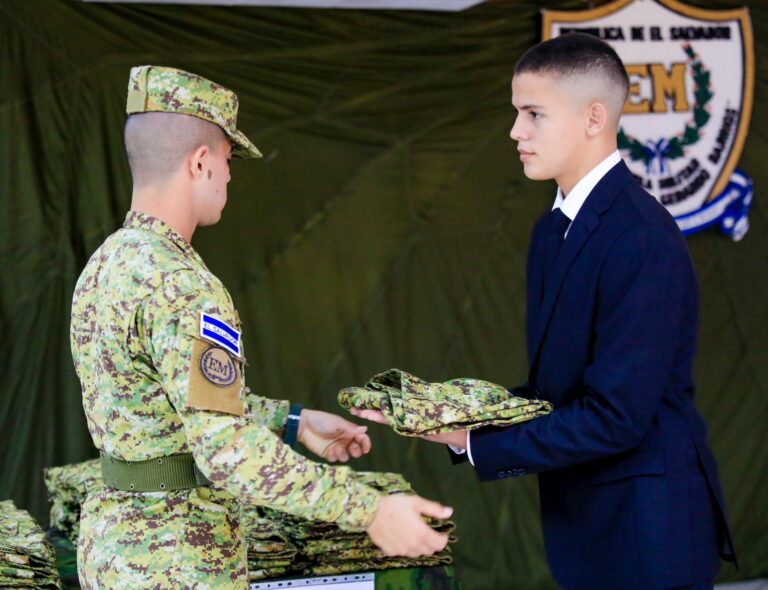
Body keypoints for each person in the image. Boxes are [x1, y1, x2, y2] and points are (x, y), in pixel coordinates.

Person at [351, 33, 736, 590]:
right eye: (516, 113)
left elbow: (616, 416)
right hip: (586, 523)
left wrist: (473, 444)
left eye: (533, 113)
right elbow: (554, 392)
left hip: (646, 532)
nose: (515, 132)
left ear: (593, 118)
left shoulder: (641, 237)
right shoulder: (552, 229)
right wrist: (450, 415)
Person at [70, 65, 452, 589]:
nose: (229, 177)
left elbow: (170, 406)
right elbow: (226, 451)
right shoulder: (185, 286)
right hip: (176, 560)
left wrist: (294, 421)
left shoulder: (106, 264)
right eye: (228, 162)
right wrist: (370, 510)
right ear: (201, 162)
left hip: (113, 545)